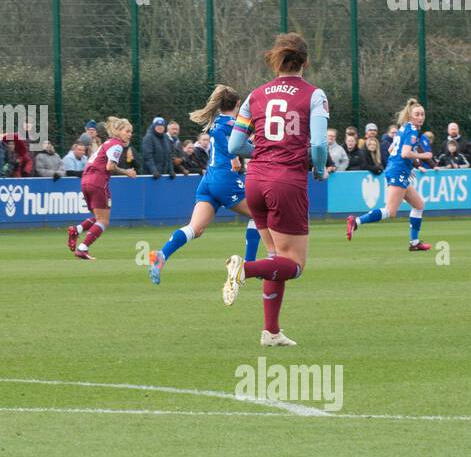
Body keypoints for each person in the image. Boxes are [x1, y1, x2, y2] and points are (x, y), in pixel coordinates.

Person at [222, 33, 330, 347]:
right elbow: (321, 144)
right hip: (286, 181)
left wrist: (265, 152)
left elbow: (234, 145)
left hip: (255, 179)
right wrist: (320, 169)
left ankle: (270, 332)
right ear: (306, 62)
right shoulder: (313, 95)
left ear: (277, 61)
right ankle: (243, 268)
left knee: (276, 256)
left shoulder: (255, 95)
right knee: (294, 265)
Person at [150, 86, 269, 285]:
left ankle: (162, 254)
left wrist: (235, 157)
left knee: (195, 229)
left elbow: (227, 146)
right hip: (224, 179)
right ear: (237, 104)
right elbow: (241, 146)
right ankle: (249, 264)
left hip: (208, 180)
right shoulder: (234, 123)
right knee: (260, 213)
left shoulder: (215, 122)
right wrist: (260, 151)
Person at [347, 99, 433, 252]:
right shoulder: (412, 131)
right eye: (417, 114)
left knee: (419, 205)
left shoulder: (405, 128)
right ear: (411, 116)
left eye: (422, 114)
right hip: (398, 171)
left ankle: (414, 243)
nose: (421, 117)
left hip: (399, 170)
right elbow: (405, 153)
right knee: (390, 211)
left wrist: (407, 166)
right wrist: (424, 155)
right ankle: (356, 221)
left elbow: (394, 148)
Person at [69, 116, 138, 260]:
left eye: (131, 132)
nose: (130, 134)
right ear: (118, 131)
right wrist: (127, 172)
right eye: (127, 131)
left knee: (98, 217)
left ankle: (77, 229)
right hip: (98, 181)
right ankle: (83, 248)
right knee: (104, 221)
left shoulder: (106, 143)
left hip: (86, 180)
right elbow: (110, 166)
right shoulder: (117, 145)